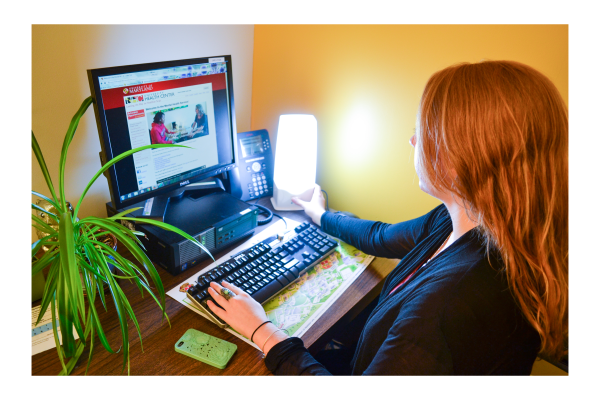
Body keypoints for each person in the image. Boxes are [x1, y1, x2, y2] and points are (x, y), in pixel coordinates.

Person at [203, 60, 569, 375]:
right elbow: (380, 236)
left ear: (462, 160)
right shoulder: (475, 222)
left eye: (422, 132)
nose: (413, 142)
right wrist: (322, 215)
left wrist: (263, 331)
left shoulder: (445, 308)